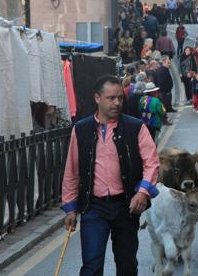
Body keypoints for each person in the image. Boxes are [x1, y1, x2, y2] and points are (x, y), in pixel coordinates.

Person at [61, 75, 159, 276]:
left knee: (127, 265)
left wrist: (142, 192)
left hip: (126, 205)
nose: (117, 103)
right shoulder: (81, 130)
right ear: (97, 98)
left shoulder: (136, 127)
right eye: (111, 98)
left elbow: (152, 163)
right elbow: (72, 171)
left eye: (120, 98)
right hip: (93, 207)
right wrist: (70, 207)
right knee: (91, 266)